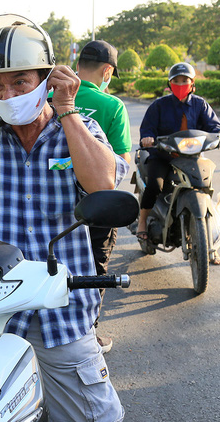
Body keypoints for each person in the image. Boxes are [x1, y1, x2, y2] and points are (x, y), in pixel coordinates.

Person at [0, 14, 128, 422]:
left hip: (62, 315)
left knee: (97, 417)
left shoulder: (80, 129)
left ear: (47, 80)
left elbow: (104, 183)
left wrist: (67, 110)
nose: (8, 92)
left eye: (20, 81)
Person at [136, 62, 220, 265]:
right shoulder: (158, 106)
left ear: (192, 84)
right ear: (170, 84)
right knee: (156, 185)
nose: (181, 84)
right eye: (176, 81)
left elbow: (214, 126)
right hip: (163, 157)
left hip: (191, 158)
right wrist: (147, 138)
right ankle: (143, 221)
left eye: (185, 81)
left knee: (205, 188)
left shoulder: (200, 105)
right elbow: (147, 130)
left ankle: (211, 247)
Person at [75, 40, 132, 354]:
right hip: (95, 204)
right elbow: (121, 161)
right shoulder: (112, 106)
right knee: (94, 268)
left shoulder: (49, 96)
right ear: (108, 70)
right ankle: (87, 333)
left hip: (46, 200)